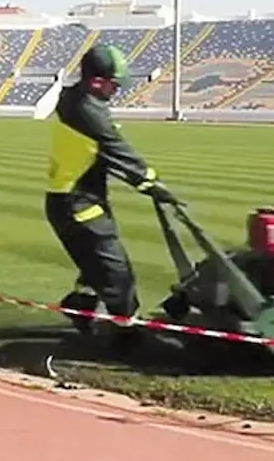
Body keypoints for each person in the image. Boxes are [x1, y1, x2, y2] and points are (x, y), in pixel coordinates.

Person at [43, 43, 180, 352]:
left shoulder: (74, 98)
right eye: (114, 84)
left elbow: (102, 151)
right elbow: (119, 151)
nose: (116, 90)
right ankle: (127, 335)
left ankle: (80, 304)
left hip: (71, 199)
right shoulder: (89, 111)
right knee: (118, 272)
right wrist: (154, 185)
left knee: (94, 263)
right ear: (96, 81)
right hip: (77, 203)